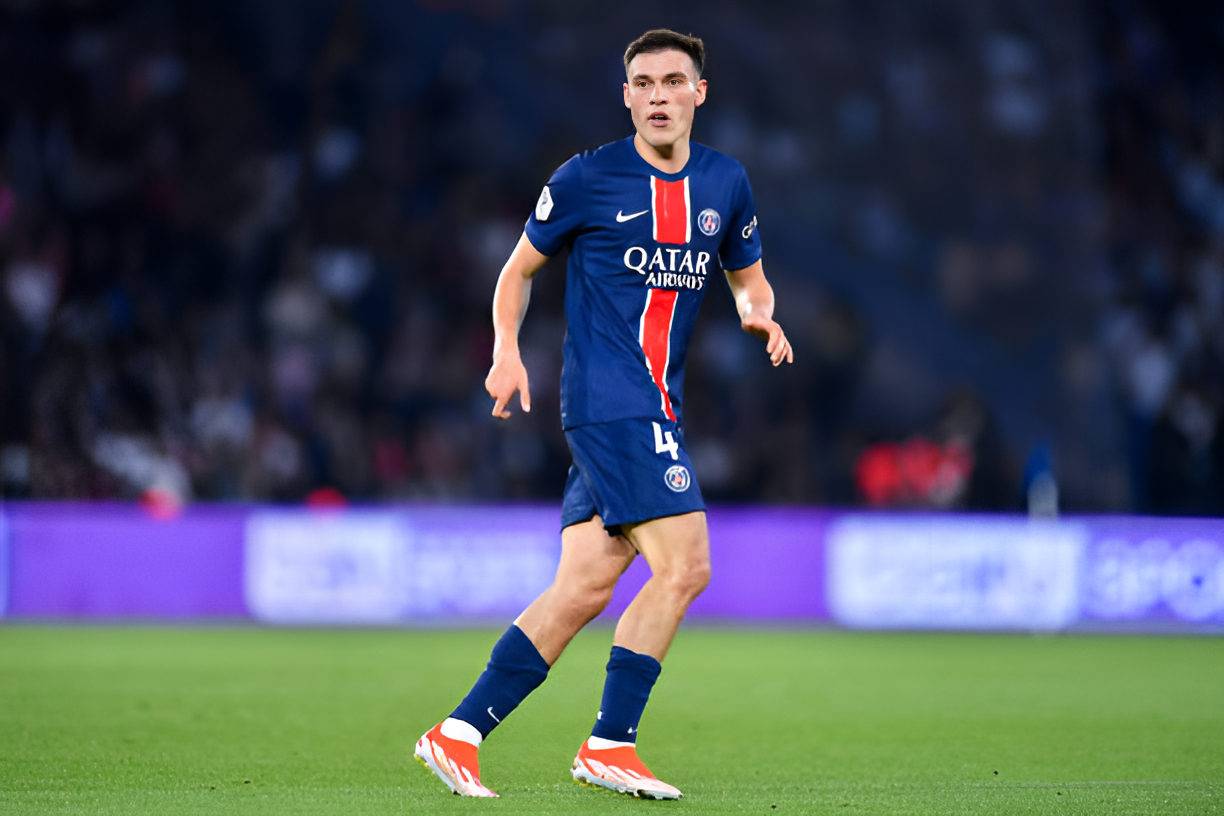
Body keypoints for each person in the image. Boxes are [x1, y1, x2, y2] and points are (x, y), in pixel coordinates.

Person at [414, 28, 793, 800]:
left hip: (658, 404)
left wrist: (760, 313)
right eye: (643, 83)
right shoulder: (588, 178)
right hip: (610, 403)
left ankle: (457, 732)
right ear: (626, 97)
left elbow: (749, 279)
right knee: (686, 567)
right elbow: (516, 272)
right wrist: (506, 349)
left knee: (584, 589)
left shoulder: (726, 183)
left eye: (672, 81)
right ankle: (610, 743)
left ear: (699, 93)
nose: (658, 95)